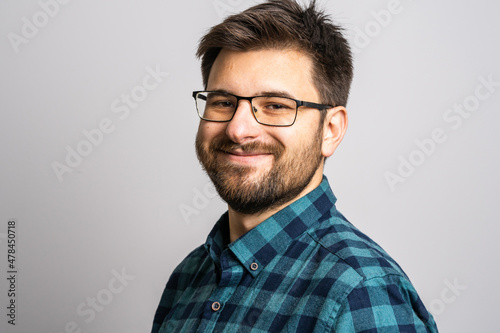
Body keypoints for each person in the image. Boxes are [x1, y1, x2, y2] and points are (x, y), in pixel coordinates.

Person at [152, 0, 438, 332]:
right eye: (223, 102)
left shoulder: (360, 291)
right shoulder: (189, 277)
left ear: (330, 130)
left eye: (275, 105)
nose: (237, 129)